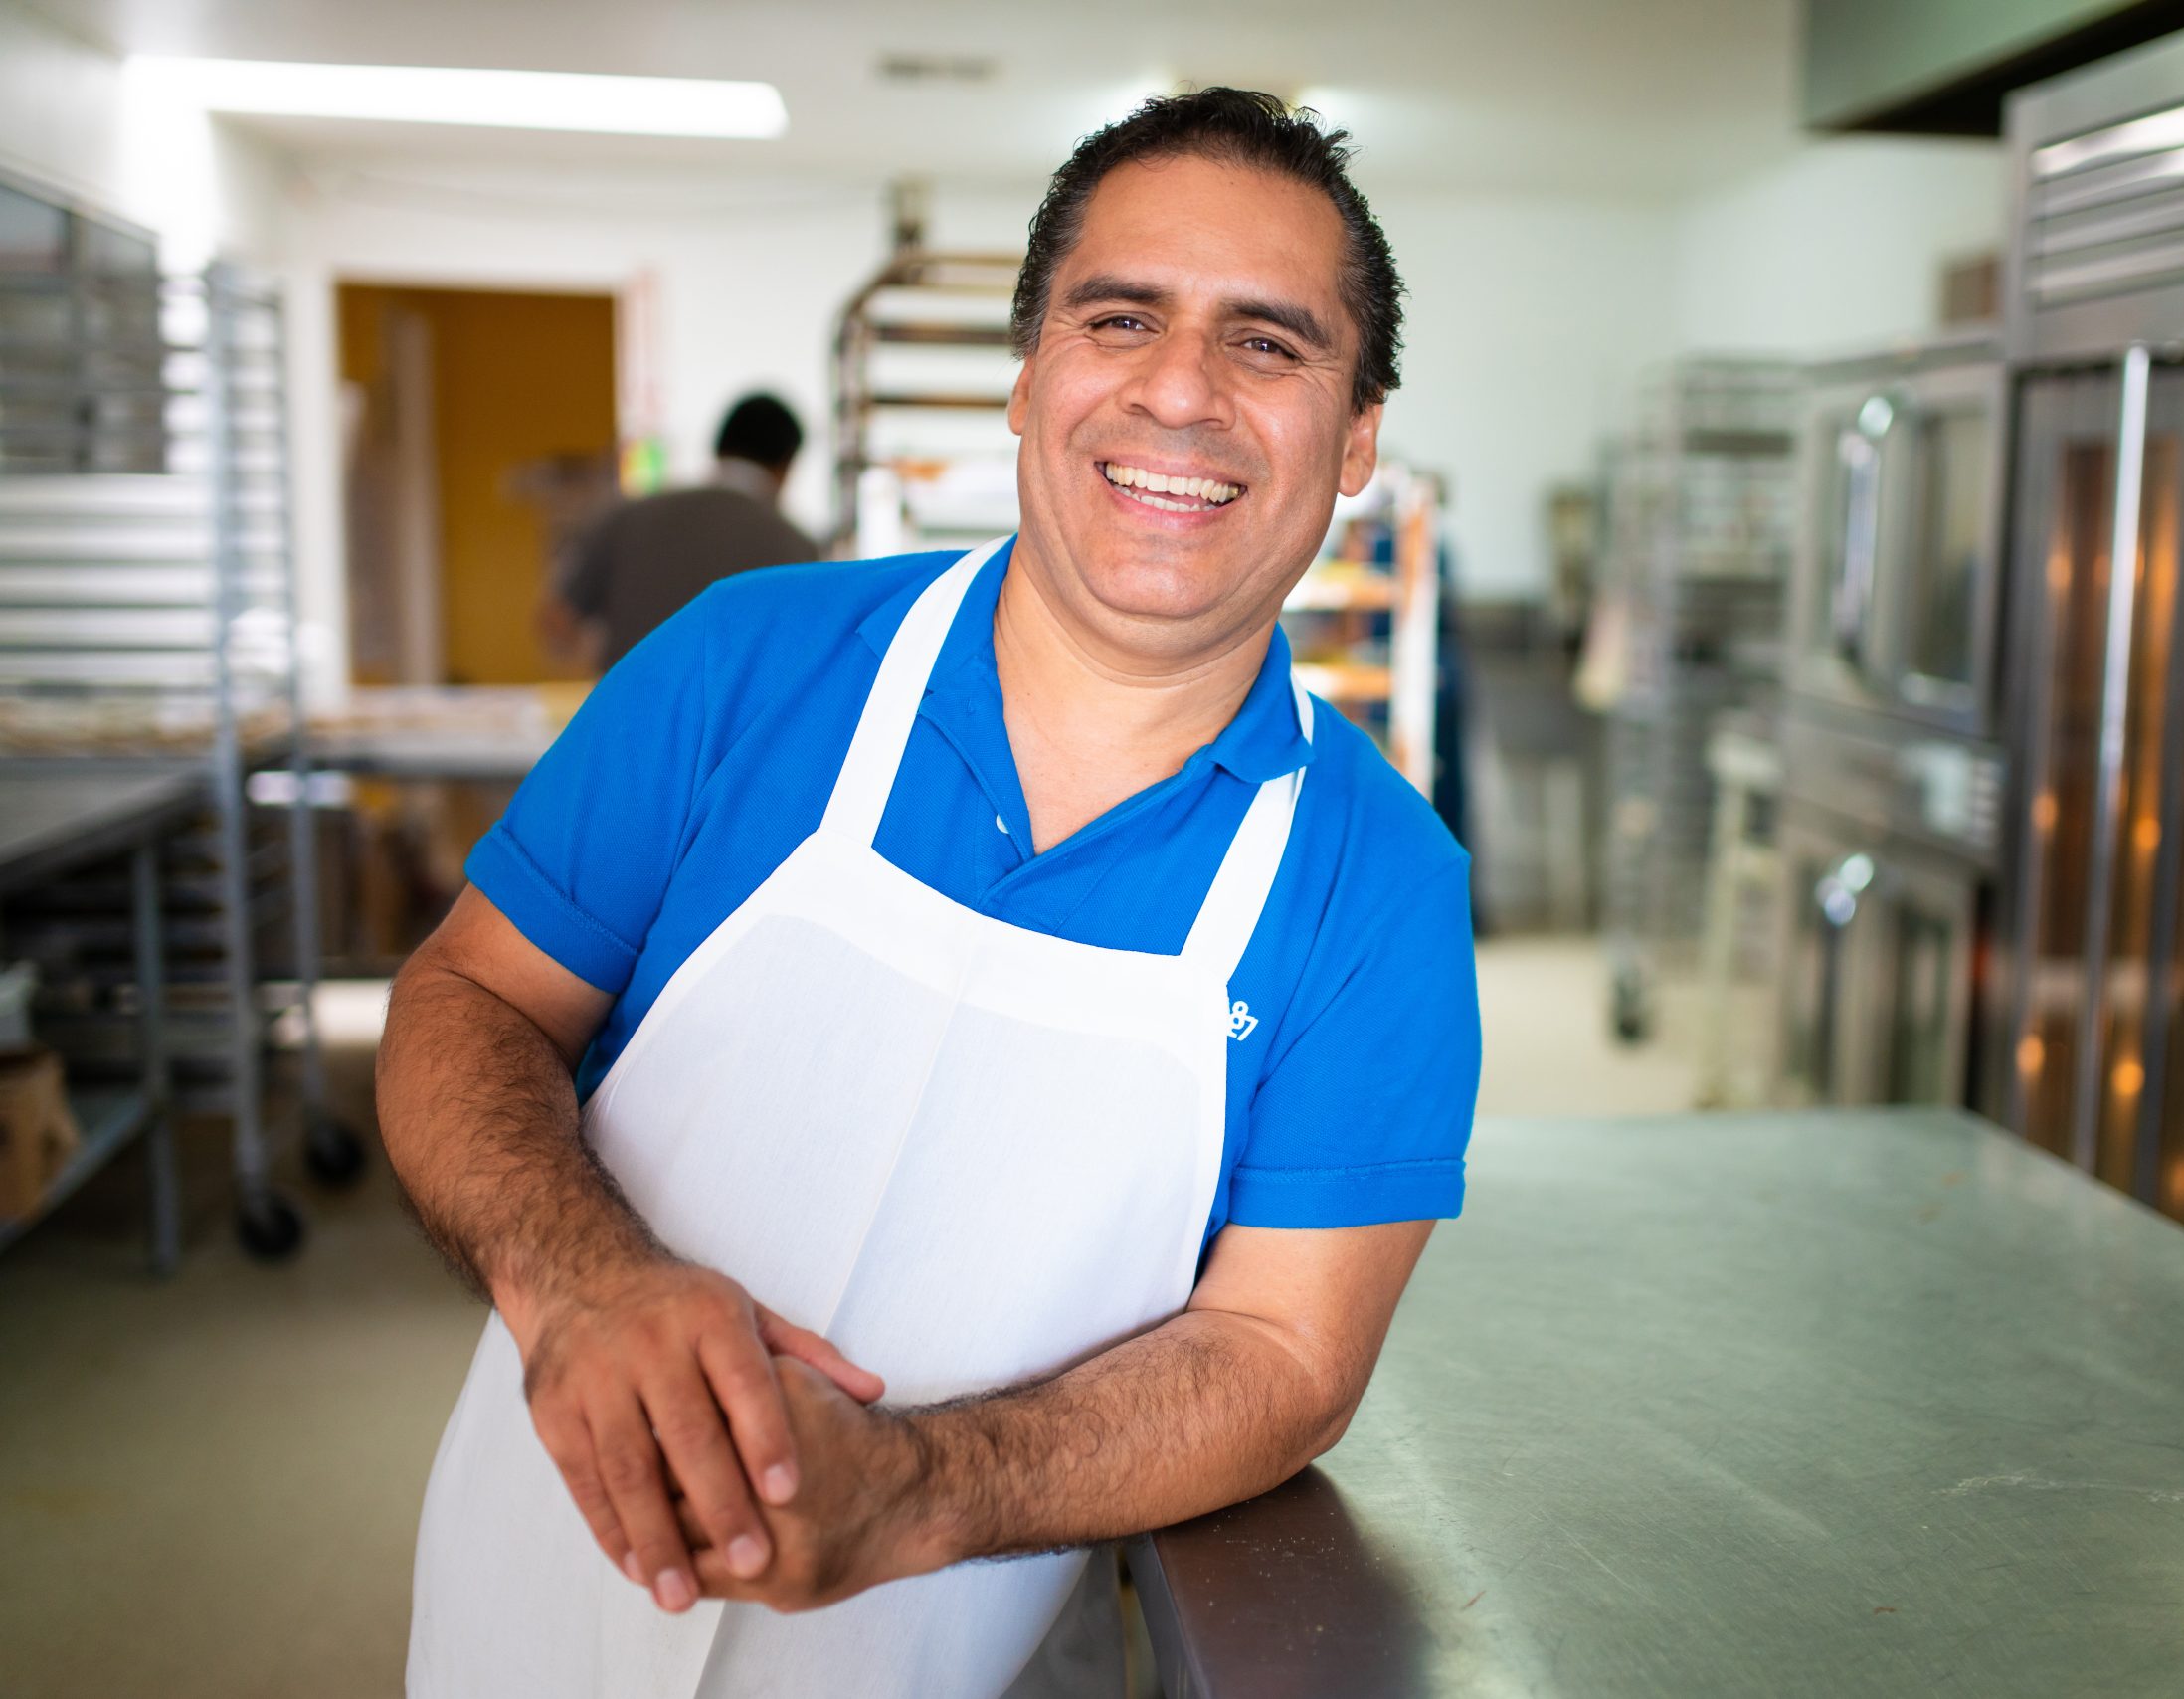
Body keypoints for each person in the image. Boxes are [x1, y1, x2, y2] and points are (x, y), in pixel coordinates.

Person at [383, 88, 1480, 1699]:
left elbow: (1285, 1357)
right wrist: (583, 1279)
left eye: (1269, 344)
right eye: (1121, 319)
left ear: (1359, 437)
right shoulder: (745, 665)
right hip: (524, 1599)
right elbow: (465, 998)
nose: (1180, 391)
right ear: (1030, 380)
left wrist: (918, 1484)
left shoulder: (1378, 881)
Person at [542, 392, 819, 670]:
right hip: (736, 713)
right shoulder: (797, 548)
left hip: (628, 706)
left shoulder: (627, 517)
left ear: (719, 448)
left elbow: (556, 622)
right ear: (786, 465)